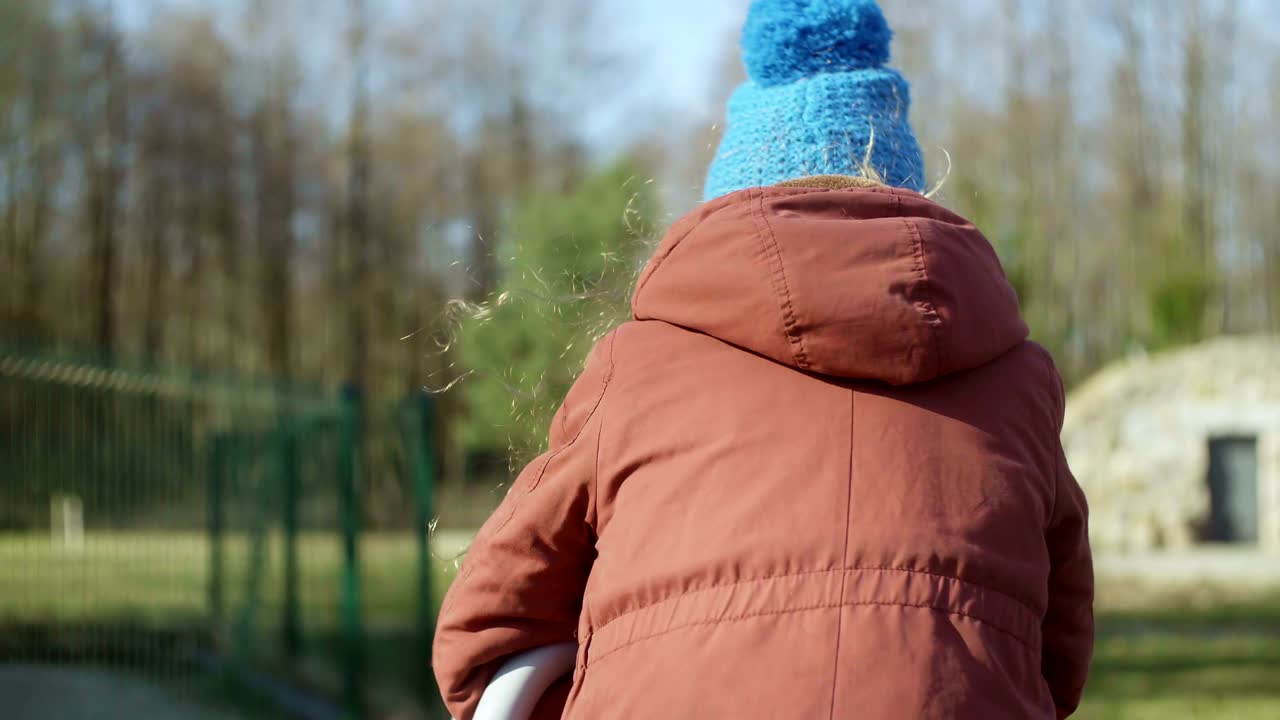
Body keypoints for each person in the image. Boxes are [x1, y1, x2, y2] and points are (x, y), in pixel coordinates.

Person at [433, 0, 1094, 717]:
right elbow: (1058, 658)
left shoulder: (636, 369)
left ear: (729, 205)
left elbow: (486, 630)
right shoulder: (1019, 382)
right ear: (910, 199)